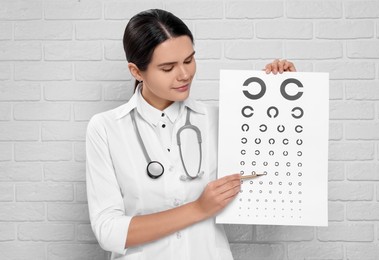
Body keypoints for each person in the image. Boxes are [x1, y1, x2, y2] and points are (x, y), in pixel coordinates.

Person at [86, 8, 296, 260]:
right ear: (136, 71)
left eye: (188, 60)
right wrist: (199, 208)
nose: (184, 74)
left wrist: (279, 93)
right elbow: (108, 231)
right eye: (168, 68)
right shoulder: (106, 128)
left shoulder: (219, 120)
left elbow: (271, 175)